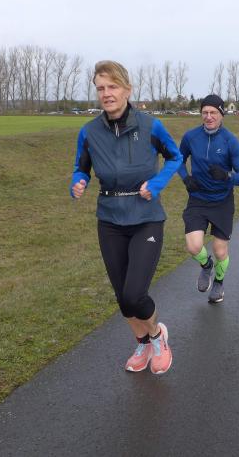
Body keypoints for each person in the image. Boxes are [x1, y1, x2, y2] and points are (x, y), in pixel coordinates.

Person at [70, 60, 182, 375]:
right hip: (110, 220)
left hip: (146, 217)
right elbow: (81, 168)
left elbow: (175, 157)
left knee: (135, 294)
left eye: (112, 86)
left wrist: (157, 184)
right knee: (122, 298)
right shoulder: (89, 132)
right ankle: (142, 343)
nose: (106, 93)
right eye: (100, 88)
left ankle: (158, 337)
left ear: (127, 90)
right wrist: (78, 182)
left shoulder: (150, 126)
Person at [178, 94, 239, 303]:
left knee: (220, 250)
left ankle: (219, 281)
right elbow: (177, 160)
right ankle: (206, 265)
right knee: (193, 246)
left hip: (222, 201)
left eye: (213, 112)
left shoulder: (230, 141)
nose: (208, 117)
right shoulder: (191, 137)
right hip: (198, 198)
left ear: (221, 114)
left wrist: (227, 176)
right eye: (205, 112)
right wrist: (186, 178)